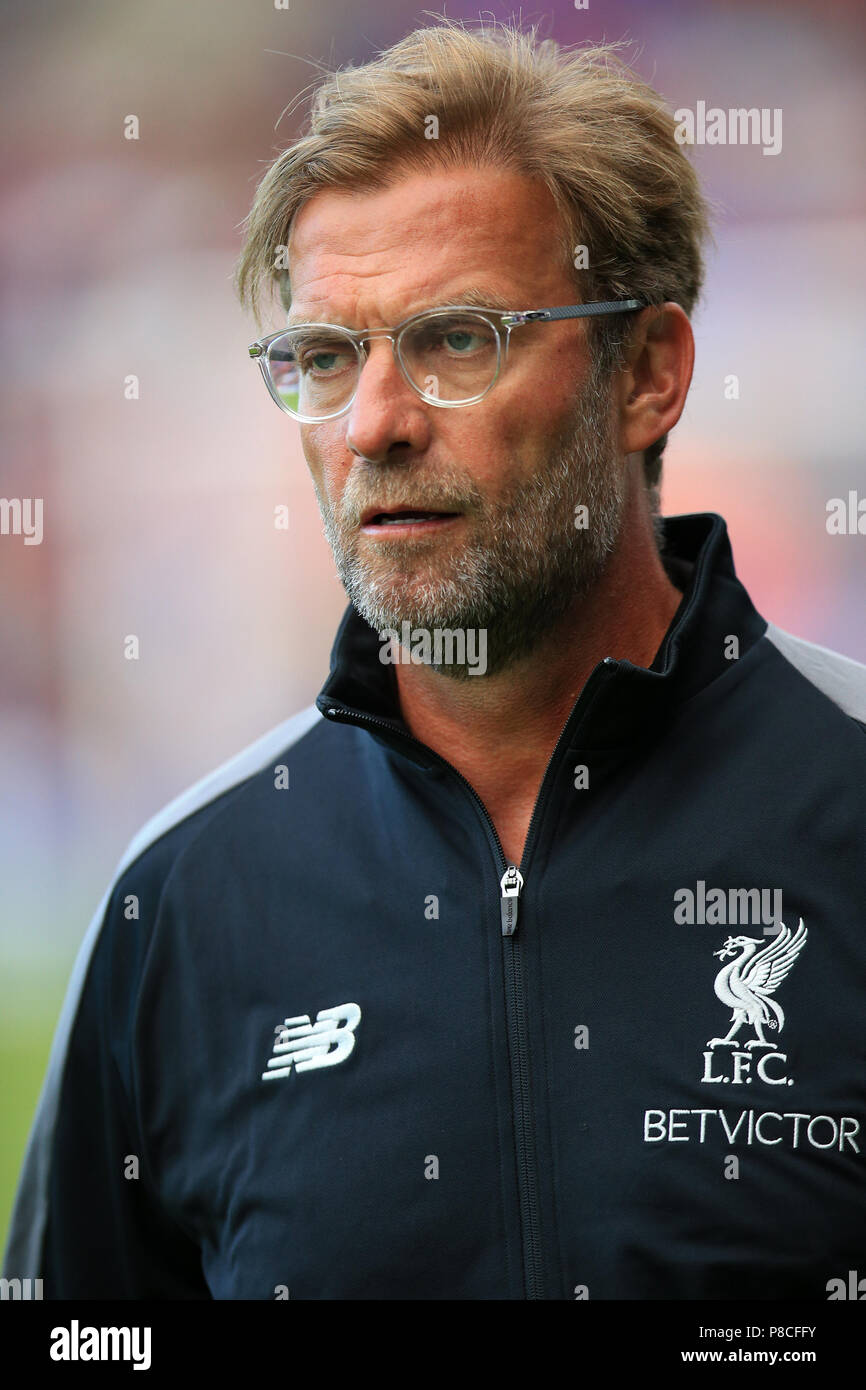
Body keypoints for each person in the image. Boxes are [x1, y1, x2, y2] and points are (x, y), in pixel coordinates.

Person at [4, 20, 865, 1302]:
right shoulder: (180, 902)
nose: (375, 424)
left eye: (458, 340)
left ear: (648, 372)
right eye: (324, 356)